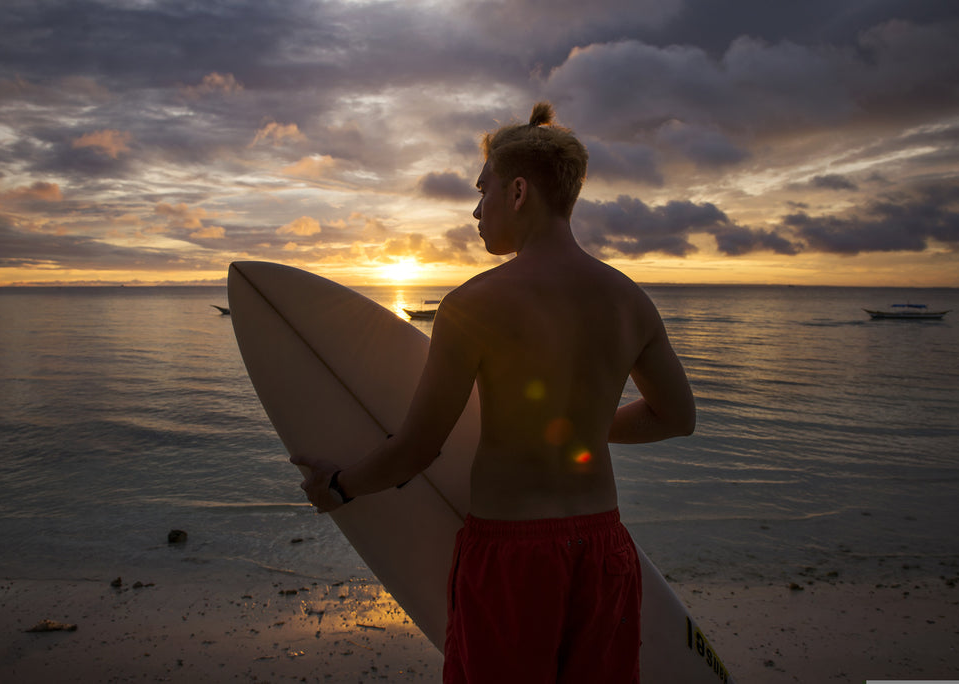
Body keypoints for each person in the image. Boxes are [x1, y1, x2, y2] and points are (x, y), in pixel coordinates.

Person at [295, 102, 695, 683]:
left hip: (512, 558)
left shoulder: (472, 306)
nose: (474, 211)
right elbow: (675, 417)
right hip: (605, 550)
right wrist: (579, 421)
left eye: (481, 192)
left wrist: (338, 488)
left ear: (517, 192)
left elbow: (417, 449)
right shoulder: (629, 300)